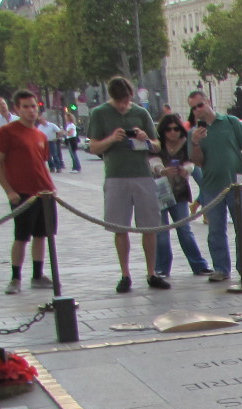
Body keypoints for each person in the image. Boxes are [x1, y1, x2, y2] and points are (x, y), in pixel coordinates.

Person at [88, 76, 169, 293]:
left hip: (142, 175)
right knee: (120, 227)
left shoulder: (140, 113)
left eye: (126, 101)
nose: (124, 105)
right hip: (116, 176)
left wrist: (146, 139)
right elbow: (94, 147)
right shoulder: (100, 114)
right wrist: (112, 139)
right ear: (112, 98)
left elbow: (157, 145)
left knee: (150, 226)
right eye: (119, 102)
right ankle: (125, 274)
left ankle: (152, 272)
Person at [187, 89, 242, 283]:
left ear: (208, 101)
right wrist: (196, 142)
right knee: (215, 229)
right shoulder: (195, 133)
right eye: (193, 108)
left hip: (236, 184)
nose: (198, 110)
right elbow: (198, 161)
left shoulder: (231, 122)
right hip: (211, 186)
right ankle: (221, 268)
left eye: (200, 105)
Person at [0, 90, 56, 295]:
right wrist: (9, 191)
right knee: (21, 237)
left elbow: (41, 163)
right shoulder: (7, 132)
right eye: (26, 107)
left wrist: (51, 188)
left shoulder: (40, 134)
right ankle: (15, 277)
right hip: (22, 193)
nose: (31, 110)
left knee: (42, 235)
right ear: (17, 109)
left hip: (45, 192)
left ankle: (38, 275)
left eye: (33, 106)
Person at [151, 112, 212, 279]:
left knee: (184, 229)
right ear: (163, 130)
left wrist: (188, 169)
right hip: (160, 191)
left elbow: (192, 161)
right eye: (168, 129)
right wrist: (162, 170)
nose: (173, 132)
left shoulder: (186, 144)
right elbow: (152, 161)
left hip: (179, 191)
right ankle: (162, 268)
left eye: (176, 129)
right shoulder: (158, 144)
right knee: (161, 232)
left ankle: (199, 265)